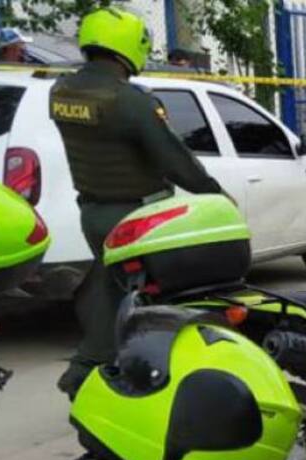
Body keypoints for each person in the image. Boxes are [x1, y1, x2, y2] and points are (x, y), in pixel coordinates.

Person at [50, 7, 223, 398]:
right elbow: (174, 160)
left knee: (111, 292)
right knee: (157, 300)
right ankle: (123, 375)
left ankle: (88, 370)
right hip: (137, 215)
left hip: (93, 212)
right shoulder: (128, 101)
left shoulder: (61, 92)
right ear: (127, 46)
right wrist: (215, 195)